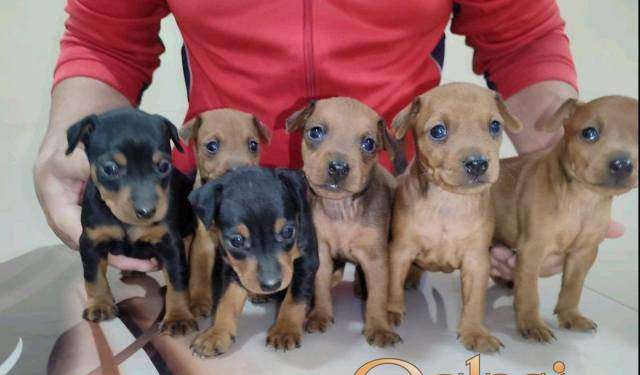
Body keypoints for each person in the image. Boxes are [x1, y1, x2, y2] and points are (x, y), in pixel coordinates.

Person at [34, 0, 624, 275]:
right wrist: (68, 146)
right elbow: (107, 38)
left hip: (396, 214)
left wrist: (552, 179)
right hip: (225, 214)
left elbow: (519, 37)